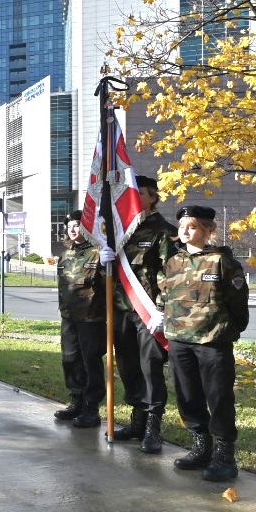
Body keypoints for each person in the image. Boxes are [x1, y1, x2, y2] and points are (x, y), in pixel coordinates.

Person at [159, 205, 250, 482]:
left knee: (219, 397)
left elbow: (238, 303)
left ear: (208, 230)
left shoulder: (222, 262)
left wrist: (226, 330)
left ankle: (224, 455)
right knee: (188, 396)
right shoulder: (173, 262)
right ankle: (201, 446)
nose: (185, 231)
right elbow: (165, 296)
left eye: (193, 226)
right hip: (179, 340)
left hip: (212, 341)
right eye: (182, 226)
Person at [115, 175, 178, 451]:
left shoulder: (164, 231)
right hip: (121, 308)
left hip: (150, 312)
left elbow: (172, 274)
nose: (134, 198)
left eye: (139, 193)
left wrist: (163, 310)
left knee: (149, 368)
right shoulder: (120, 231)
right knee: (128, 366)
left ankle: (153, 426)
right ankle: (137, 420)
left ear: (152, 197)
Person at [53, 210, 113, 429]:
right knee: (70, 359)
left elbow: (109, 284)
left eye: (77, 224)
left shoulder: (98, 253)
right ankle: (76, 400)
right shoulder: (65, 255)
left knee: (90, 362)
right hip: (69, 317)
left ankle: (91, 407)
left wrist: (106, 265)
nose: (72, 229)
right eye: (69, 225)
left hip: (91, 318)